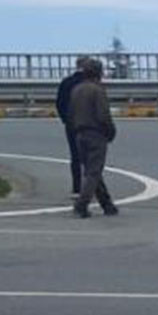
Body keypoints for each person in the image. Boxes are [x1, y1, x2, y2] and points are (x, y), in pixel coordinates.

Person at [69, 59, 119, 218]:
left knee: (92, 171)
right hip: (95, 134)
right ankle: (81, 205)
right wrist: (110, 131)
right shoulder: (97, 91)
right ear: (99, 73)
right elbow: (103, 115)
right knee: (93, 172)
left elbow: (71, 114)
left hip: (79, 133)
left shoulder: (76, 89)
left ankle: (107, 204)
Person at [55, 56, 91, 197]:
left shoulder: (67, 82)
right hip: (89, 124)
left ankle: (76, 188)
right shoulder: (91, 84)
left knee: (75, 156)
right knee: (90, 157)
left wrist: (65, 119)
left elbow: (59, 103)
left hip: (71, 124)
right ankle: (90, 187)